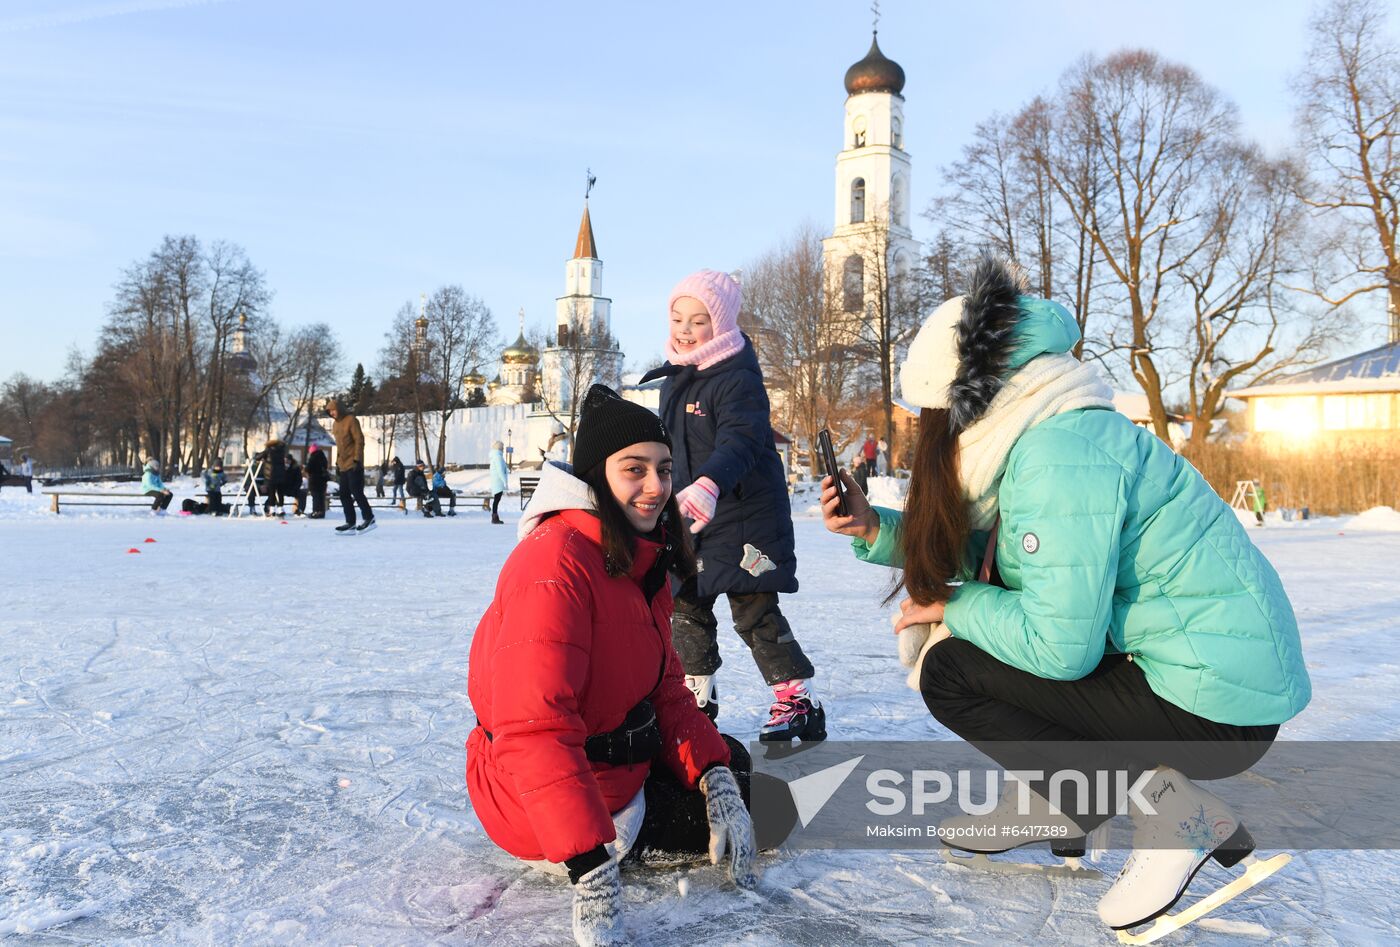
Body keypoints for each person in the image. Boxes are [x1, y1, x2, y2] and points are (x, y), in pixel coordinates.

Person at [820, 257, 1311, 934]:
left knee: (951, 665)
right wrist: (879, 528)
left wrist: (954, 607)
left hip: (1218, 708)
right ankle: (1065, 799)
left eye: (924, 416)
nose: (921, 434)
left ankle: (1167, 811)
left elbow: (1059, 646)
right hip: (1208, 677)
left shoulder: (1055, 454)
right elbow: (1024, 562)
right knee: (974, 641)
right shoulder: (1050, 431)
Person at [467, 385, 756, 946]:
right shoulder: (554, 565)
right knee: (770, 803)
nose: (656, 486)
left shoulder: (634, 554)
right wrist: (589, 867)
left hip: (611, 771)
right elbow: (534, 729)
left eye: (665, 469)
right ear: (597, 475)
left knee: (734, 768)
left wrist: (713, 775)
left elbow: (667, 689)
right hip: (543, 803)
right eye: (634, 470)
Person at [640, 269, 825, 743]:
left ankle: (798, 701)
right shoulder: (676, 379)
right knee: (686, 605)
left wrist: (708, 483)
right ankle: (697, 698)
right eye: (678, 317)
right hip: (691, 518)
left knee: (754, 609)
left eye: (698, 320)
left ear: (719, 326)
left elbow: (742, 440)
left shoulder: (736, 377)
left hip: (743, 516)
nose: (684, 329)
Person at [327, 398, 375, 535]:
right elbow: (340, 446)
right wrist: (337, 462)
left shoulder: (351, 420)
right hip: (343, 464)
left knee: (356, 491)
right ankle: (350, 522)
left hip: (354, 463)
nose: (332, 413)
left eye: (333, 410)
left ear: (339, 409)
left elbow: (359, 440)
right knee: (344, 494)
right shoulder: (335, 425)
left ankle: (369, 517)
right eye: (329, 411)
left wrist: (357, 459)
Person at [306, 445, 330, 519]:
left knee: (315, 496)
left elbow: (308, 469)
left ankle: (316, 512)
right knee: (321, 497)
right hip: (322, 480)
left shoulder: (313, 458)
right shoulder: (323, 457)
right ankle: (321, 512)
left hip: (314, 480)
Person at [489, 440, 508, 525]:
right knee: (497, 500)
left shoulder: (496, 456)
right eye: (502, 448)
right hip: (498, 482)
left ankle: (495, 516)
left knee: (496, 499)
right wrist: (505, 482)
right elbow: (500, 470)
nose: (503, 449)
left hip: (496, 481)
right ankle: (494, 517)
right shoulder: (498, 457)